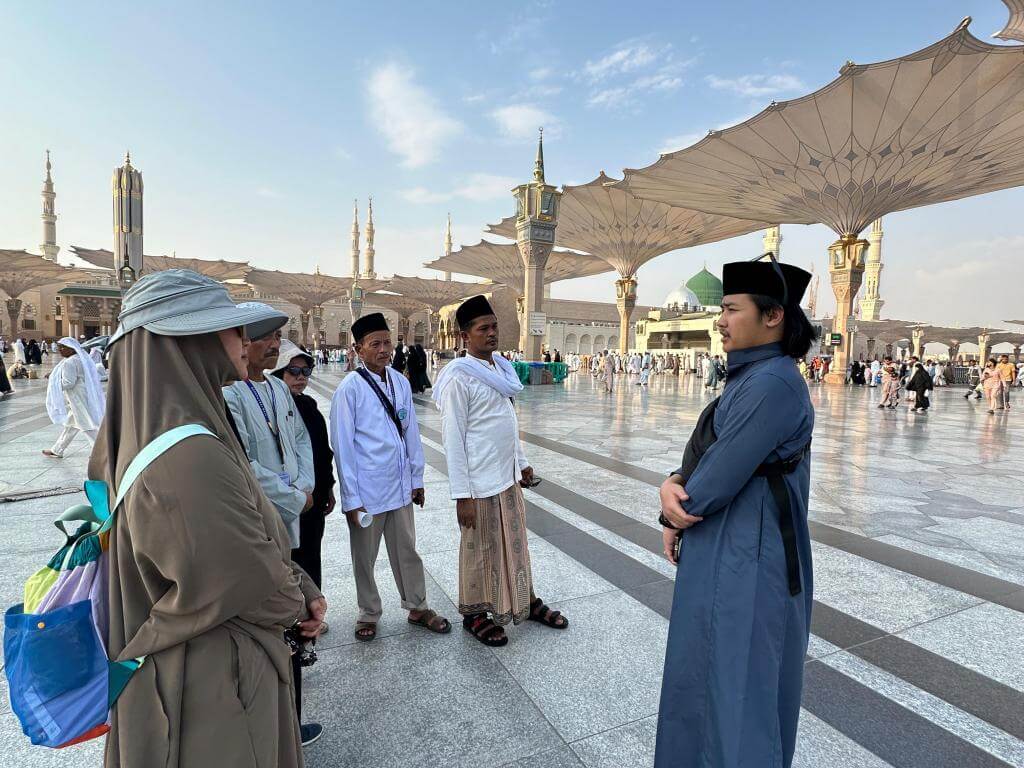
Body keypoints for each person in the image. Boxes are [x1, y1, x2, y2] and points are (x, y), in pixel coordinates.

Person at [94, 270, 325, 767]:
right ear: (188, 340)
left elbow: (235, 543)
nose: (244, 340)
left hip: (196, 668)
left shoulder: (147, 435)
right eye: (232, 329)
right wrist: (299, 600)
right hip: (211, 689)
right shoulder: (188, 456)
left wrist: (300, 584)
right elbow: (245, 578)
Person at [656, 257, 815, 768]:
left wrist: (674, 506)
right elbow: (709, 454)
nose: (720, 320)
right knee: (710, 677)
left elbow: (717, 477)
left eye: (731, 309)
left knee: (740, 690)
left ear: (773, 316)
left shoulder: (772, 383)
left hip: (752, 556)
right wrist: (675, 481)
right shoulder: (753, 375)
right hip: (731, 546)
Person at [434, 295, 568, 647]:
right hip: (478, 483)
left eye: (494, 326)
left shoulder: (501, 370)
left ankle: (526, 600)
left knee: (515, 543)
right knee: (480, 549)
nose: (492, 333)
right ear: (465, 336)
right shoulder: (459, 379)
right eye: (483, 328)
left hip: (506, 478)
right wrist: (461, 495)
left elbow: (507, 422)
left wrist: (521, 462)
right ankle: (475, 614)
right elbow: (453, 439)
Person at [223, 305, 323, 746]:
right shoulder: (230, 395)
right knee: (273, 622)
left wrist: (305, 485)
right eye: (268, 338)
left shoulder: (279, 389)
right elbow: (243, 463)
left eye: (279, 338)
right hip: (263, 518)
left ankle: (290, 722)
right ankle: (276, 730)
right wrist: (292, 497)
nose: (275, 346)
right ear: (245, 342)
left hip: (293, 511)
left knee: (293, 617)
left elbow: (300, 439)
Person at [330, 312, 450, 642]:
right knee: (365, 557)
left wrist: (417, 479)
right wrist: (351, 499)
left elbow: (410, 434)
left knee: (407, 549)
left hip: (399, 486)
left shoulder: (399, 381)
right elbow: (343, 447)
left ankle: (417, 606)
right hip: (368, 490)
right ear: (358, 349)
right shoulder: (350, 389)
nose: (384, 349)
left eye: (387, 342)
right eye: (375, 344)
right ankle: (368, 612)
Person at [270, 340, 336, 592]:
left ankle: (314, 605)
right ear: (279, 373)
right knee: (290, 561)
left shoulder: (308, 405)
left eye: (305, 371)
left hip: (314, 498)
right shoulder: (271, 409)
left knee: (311, 555)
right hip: (288, 499)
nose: (301, 377)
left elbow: (322, 452)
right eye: (294, 371)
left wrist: (328, 488)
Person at [41, 337, 105, 458]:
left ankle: (100, 451)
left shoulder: (69, 362)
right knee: (70, 426)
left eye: (62, 348)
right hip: (82, 395)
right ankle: (57, 449)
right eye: (59, 347)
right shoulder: (80, 358)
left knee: (86, 425)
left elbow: (68, 383)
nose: (60, 350)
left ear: (71, 349)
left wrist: (53, 382)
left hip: (77, 399)